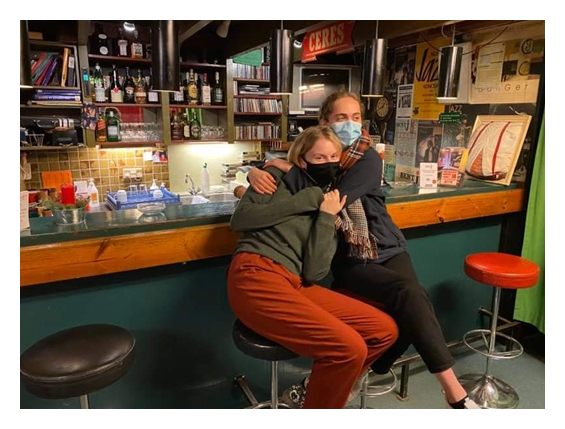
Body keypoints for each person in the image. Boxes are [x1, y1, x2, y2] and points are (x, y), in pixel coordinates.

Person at [246, 92, 481, 409]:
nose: (350, 125)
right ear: (324, 122)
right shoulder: (317, 154)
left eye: (356, 117)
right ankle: (455, 395)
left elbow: (332, 198)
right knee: (411, 302)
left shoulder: (367, 157)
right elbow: (298, 172)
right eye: (341, 118)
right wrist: (256, 170)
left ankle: (361, 375)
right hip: (349, 257)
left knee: (413, 305)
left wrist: (287, 169)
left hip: (386, 246)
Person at [228, 125, 398, 409]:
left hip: (295, 282)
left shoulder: (333, 201)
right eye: (319, 158)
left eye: (333, 156)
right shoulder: (275, 177)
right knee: (349, 348)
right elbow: (240, 220)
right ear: (302, 159)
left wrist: (325, 217)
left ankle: (311, 393)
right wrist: (305, 199)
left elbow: (315, 272)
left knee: (384, 331)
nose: (328, 163)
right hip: (254, 274)